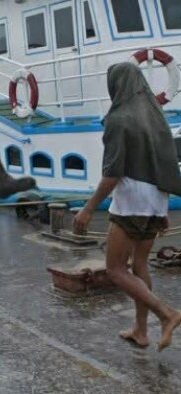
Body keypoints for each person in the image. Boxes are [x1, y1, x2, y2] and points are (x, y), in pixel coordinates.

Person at [73, 62, 181, 352]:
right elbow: (167, 163)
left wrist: (88, 208)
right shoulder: (156, 115)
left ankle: (167, 314)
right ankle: (141, 331)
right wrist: (163, 210)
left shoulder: (118, 118)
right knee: (140, 264)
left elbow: (112, 173)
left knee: (116, 269)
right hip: (157, 199)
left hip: (132, 199)